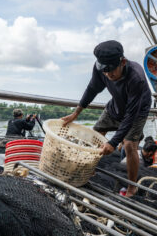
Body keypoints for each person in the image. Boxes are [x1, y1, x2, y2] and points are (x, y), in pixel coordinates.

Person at [62, 40, 152, 197]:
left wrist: (113, 142)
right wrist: (76, 113)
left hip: (137, 110)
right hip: (116, 104)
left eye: (111, 71)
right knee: (94, 136)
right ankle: (87, 172)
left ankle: (132, 187)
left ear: (122, 62)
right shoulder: (101, 69)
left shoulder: (136, 77)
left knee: (130, 145)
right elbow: (92, 89)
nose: (108, 75)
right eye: (104, 71)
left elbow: (130, 115)